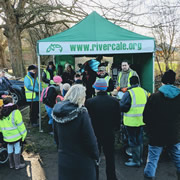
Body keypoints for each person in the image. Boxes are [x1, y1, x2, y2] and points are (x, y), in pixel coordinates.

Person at [52, 84, 99, 180]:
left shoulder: (56, 112)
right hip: (82, 162)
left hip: (64, 159)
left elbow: (56, 137)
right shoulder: (81, 114)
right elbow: (90, 139)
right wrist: (96, 155)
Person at [143, 70, 180, 180]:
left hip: (156, 135)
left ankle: (149, 177)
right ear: (174, 82)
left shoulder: (154, 97)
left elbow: (146, 118)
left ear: (162, 82)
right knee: (178, 157)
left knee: (152, 160)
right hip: (174, 134)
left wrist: (149, 131)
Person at [85, 78, 121, 180]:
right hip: (109, 133)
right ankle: (111, 177)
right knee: (110, 157)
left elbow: (87, 119)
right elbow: (118, 118)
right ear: (105, 88)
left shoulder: (89, 102)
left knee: (95, 158)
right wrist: (116, 129)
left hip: (94, 134)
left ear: (96, 89)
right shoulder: (114, 101)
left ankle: (94, 177)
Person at [120, 76, 147, 167]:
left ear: (130, 83)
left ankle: (136, 161)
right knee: (140, 140)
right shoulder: (144, 91)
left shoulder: (129, 93)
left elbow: (123, 107)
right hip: (141, 120)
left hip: (131, 121)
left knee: (133, 141)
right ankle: (139, 158)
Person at [0, 96, 27, 169]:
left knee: (10, 148)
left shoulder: (1, 112)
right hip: (16, 136)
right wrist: (24, 134)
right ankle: (17, 165)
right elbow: (20, 125)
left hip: (6, 137)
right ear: (12, 102)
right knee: (17, 148)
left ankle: (11, 165)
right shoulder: (16, 112)